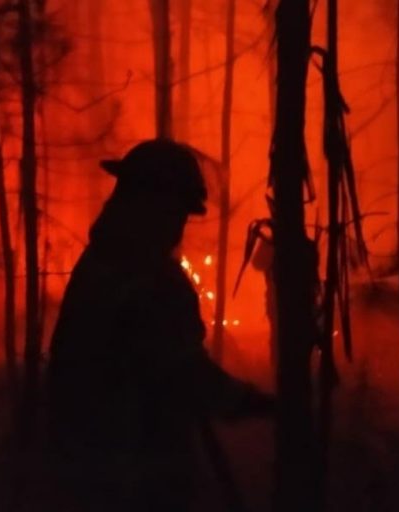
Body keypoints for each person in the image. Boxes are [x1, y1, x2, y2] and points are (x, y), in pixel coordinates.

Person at [46, 139, 273, 511]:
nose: (178, 225)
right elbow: (185, 373)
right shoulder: (148, 278)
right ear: (153, 205)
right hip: (135, 474)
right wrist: (250, 402)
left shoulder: (100, 262)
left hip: (83, 467)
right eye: (176, 212)